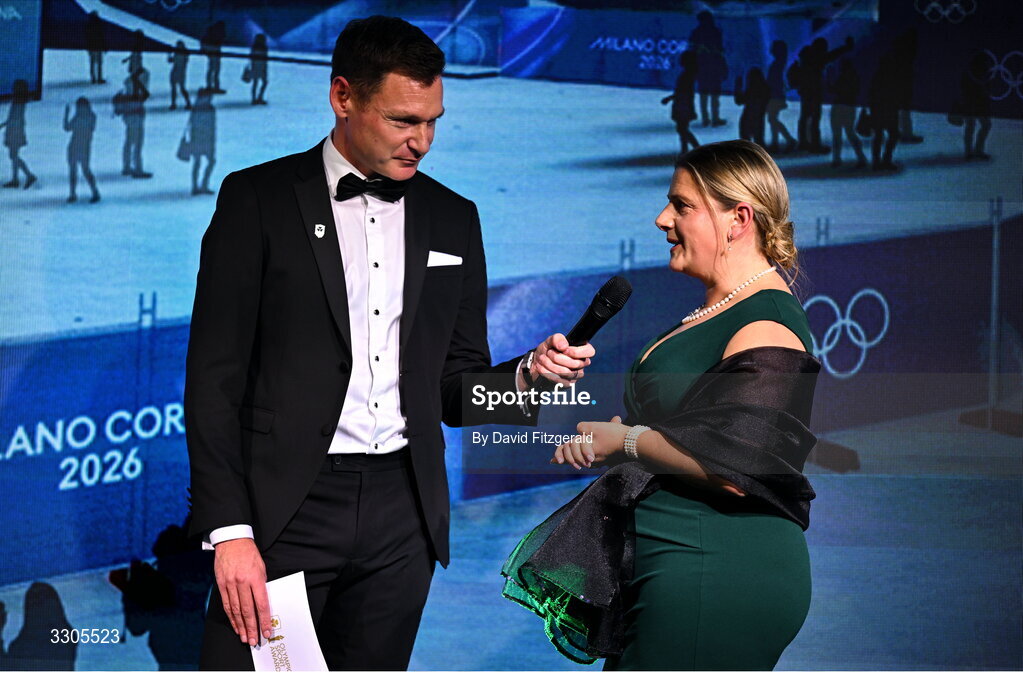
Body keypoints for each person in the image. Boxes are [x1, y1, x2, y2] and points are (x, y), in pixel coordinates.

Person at [185, 15, 594, 671]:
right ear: (342, 97)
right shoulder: (256, 200)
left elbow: (455, 389)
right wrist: (230, 530)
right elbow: (213, 380)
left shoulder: (453, 217)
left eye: (433, 121)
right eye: (404, 120)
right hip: (286, 508)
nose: (422, 142)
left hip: (402, 517)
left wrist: (524, 380)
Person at [504, 140, 821, 670]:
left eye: (682, 205)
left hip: (715, 569)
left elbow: (736, 468)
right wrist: (625, 441)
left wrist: (625, 441)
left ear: (739, 218)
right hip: (675, 564)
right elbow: (690, 434)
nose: (661, 218)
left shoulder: (767, 322)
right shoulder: (720, 309)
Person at [687, 10, 727, 127]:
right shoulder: (715, 32)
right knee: (713, 92)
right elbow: (720, 51)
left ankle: (706, 119)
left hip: (702, 65)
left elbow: (692, 49)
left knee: (704, 92)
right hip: (712, 65)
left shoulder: (696, 32)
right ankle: (714, 118)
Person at [828, 58, 867, 168]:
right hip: (849, 107)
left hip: (840, 106)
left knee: (838, 134)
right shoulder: (854, 78)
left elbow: (833, 90)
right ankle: (860, 157)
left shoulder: (842, 78)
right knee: (849, 133)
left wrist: (829, 79)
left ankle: (837, 158)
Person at [661, 51, 699, 153]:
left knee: (682, 129)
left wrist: (669, 98)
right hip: (683, 104)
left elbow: (683, 92)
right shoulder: (688, 75)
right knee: (682, 129)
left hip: (683, 105)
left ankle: (694, 149)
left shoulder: (686, 76)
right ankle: (686, 149)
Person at [63, 97, 100, 203]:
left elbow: (68, 127)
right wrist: (66, 115)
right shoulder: (83, 117)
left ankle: (94, 192)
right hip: (75, 146)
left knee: (85, 170)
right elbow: (67, 128)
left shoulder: (89, 117)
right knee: (74, 171)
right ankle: (73, 193)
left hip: (82, 146)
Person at [1, 79, 36, 189]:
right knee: (13, 155)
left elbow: (15, 118)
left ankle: (29, 175)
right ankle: (15, 179)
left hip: (15, 132)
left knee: (14, 156)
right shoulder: (18, 102)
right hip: (15, 130)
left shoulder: (18, 103)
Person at [766, 40, 796, 153]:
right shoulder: (779, 63)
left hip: (775, 95)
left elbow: (774, 81)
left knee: (772, 119)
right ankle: (776, 142)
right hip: (776, 95)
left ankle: (788, 140)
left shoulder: (777, 64)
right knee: (773, 119)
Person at [185, 88, 216, 195]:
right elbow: (211, 127)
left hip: (198, 139)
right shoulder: (208, 108)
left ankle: (196, 186)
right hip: (204, 140)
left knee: (198, 162)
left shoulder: (197, 108)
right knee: (209, 161)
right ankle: (203, 185)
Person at [169, 40, 191, 111]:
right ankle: (173, 103)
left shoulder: (184, 53)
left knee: (182, 89)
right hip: (176, 72)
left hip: (180, 72)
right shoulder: (178, 53)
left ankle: (187, 103)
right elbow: (171, 60)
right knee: (174, 89)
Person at [85, 11, 106, 84]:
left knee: (92, 63)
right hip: (98, 46)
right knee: (99, 63)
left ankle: (93, 78)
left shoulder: (89, 24)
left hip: (92, 46)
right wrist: (104, 46)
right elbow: (102, 35)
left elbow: (87, 36)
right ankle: (99, 78)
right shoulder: (99, 24)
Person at [248, 33, 268, 105]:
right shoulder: (264, 48)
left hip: (255, 66)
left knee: (255, 83)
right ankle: (259, 97)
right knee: (264, 82)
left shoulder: (254, 47)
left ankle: (254, 99)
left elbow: (251, 57)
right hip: (262, 67)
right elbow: (265, 59)